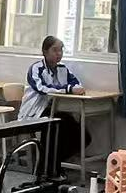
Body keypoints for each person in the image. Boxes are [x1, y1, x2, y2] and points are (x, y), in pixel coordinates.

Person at [20, 36, 88, 164]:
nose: (59, 53)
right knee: (55, 127)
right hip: (35, 112)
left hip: (55, 110)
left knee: (83, 135)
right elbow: (42, 88)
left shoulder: (63, 68)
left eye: (61, 50)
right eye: (55, 50)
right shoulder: (36, 68)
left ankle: (55, 162)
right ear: (45, 52)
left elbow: (77, 84)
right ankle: (46, 165)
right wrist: (68, 89)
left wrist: (74, 88)